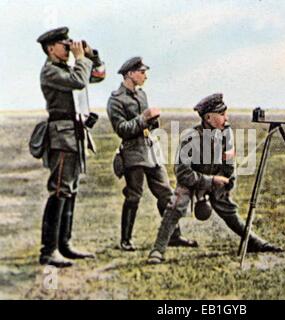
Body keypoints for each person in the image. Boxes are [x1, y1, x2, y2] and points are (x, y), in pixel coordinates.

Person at [148, 93, 283, 264]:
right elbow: (182, 173)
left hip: (216, 180)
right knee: (175, 206)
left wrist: (228, 179)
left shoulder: (226, 133)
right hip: (191, 181)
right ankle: (157, 250)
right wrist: (209, 181)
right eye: (222, 114)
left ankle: (254, 242)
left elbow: (229, 162)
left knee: (228, 210)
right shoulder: (190, 137)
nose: (226, 118)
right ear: (209, 117)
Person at [106, 57, 197, 251]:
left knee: (166, 192)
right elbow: (122, 129)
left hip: (150, 150)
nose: (145, 76)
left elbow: (146, 124)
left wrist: (152, 121)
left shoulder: (142, 95)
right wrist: (144, 118)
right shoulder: (115, 100)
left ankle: (174, 235)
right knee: (134, 196)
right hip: (133, 153)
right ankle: (126, 240)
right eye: (142, 72)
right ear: (130, 74)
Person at [37, 26, 106, 267]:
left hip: (75, 135)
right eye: (63, 45)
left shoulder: (66, 68)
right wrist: (80, 59)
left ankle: (64, 244)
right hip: (62, 136)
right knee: (60, 190)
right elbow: (78, 81)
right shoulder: (50, 71)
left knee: (71, 189)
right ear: (50, 48)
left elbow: (97, 76)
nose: (68, 48)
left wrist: (91, 56)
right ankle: (49, 250)